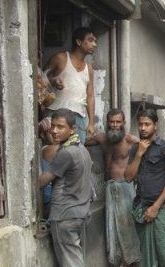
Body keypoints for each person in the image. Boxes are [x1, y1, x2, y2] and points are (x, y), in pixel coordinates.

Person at [38, 109, 93, 267]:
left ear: (73, 129)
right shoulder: (81, 149)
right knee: (76, 259)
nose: (54, 131)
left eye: (60, 127)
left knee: (70, 263)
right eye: (53, 126)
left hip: (64, 216)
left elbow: (42, 182)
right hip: (79, 213)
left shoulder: (67, 153)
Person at [86, 108, 140, 266]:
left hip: (126, 188)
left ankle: (133, 261)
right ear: (107, 123)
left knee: (128, 226)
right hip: (109, 188)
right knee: (113, 228)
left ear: (123, 123)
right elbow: (82, 140)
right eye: (112, 122)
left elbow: (150, 146)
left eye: (118, 122)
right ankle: (119, 261)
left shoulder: (130, 140)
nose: (115, 125)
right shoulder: (102, 139)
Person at [125, 109, 165, 267]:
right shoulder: (135, 149)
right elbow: (128, 177)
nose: (143, 128)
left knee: (164, 250)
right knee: (146, 254)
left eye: (147, 124)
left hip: (160, 208)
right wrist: (139, 154)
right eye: (140, 124)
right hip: (142, 207)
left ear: (155, 125)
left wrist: (156, 206)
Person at [45, 27, 97, 144]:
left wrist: (91, 123)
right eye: (90, 40)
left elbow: (90, 96)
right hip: (56, 114)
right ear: (78, 42)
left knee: (75, 153)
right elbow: (41, 78)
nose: (94, 44)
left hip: (78, 118)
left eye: (95, 41)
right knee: (54, 152)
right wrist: (53, 81)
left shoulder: (89, 68)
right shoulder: (61, 58)